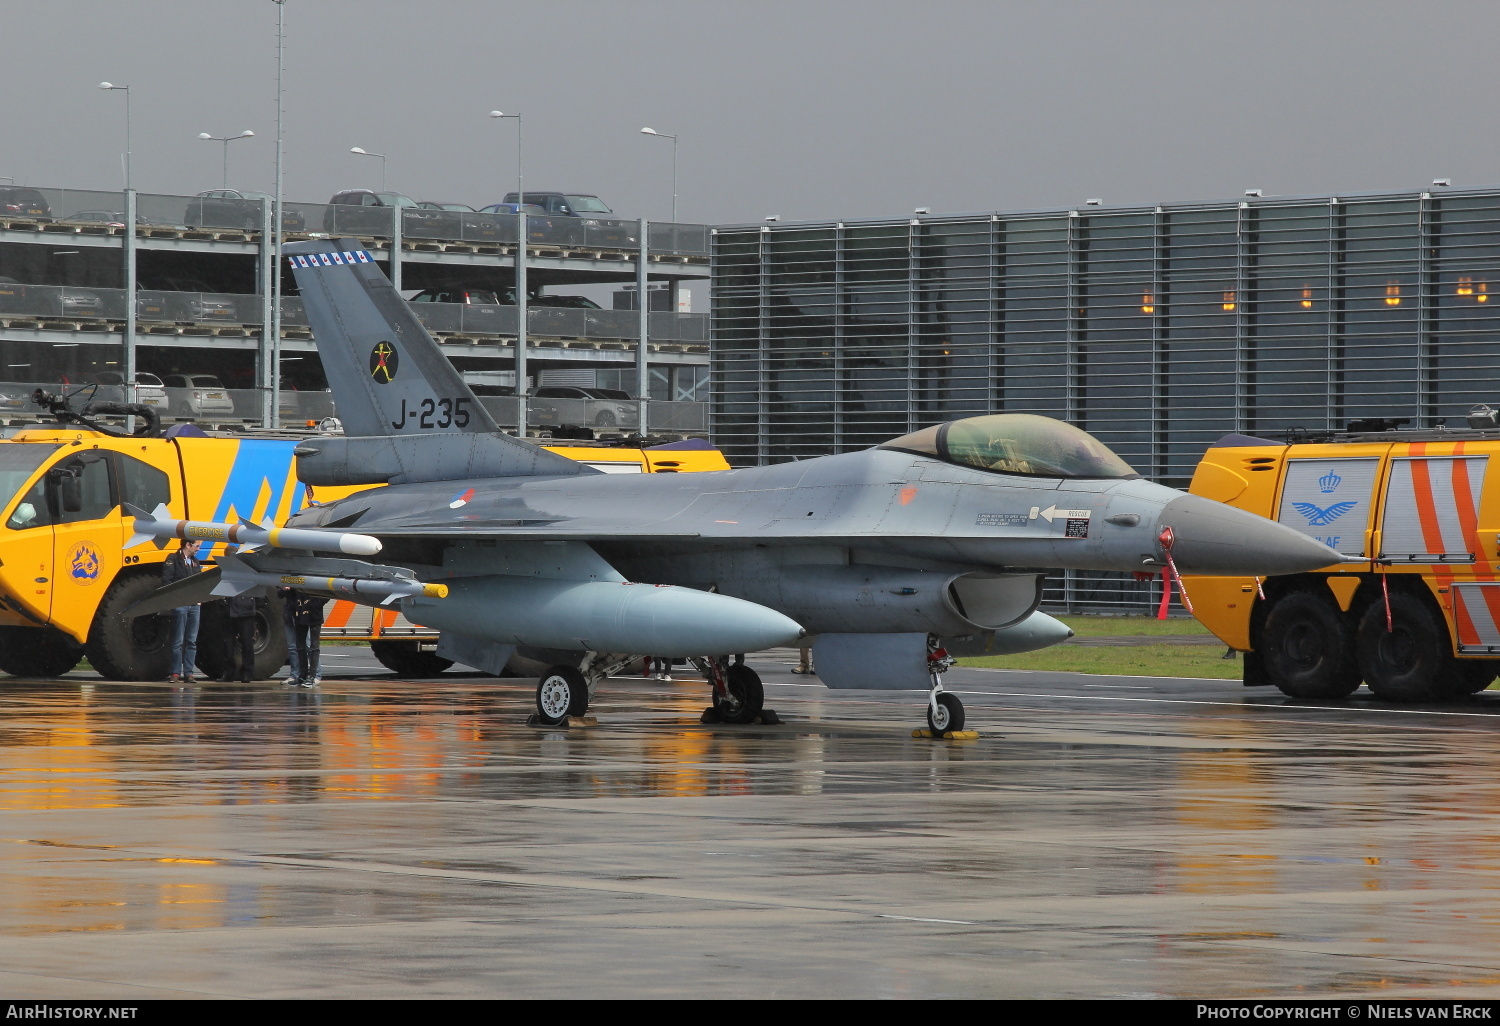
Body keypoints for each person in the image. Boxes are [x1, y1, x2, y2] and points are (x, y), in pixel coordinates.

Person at [162, 541, 204, 684]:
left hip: (194, 605)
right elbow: (167, 582)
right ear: (188, 545)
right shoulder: (173, 559)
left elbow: (200, 582)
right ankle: (175, 672)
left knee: (191, 641)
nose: (198, 549)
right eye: (197, 546)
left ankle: (189, 673)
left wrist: (200, 599)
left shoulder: (195, 562)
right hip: (180, 604)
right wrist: (175, 600)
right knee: (178, 641)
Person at [286, 588, 328, 688]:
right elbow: (290, 592)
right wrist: (294, 605)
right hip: (299, 613)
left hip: (314, 614)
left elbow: (327, 594)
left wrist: (316, 604)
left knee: (313, 647)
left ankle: (313, 676)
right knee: (300, 646)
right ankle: (302, 675)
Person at [218, 593, 259, 683]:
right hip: (228, 608)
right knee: (227, 644)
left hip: (245, 607)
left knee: (246, 643)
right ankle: (229, 673)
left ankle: (247, 673)